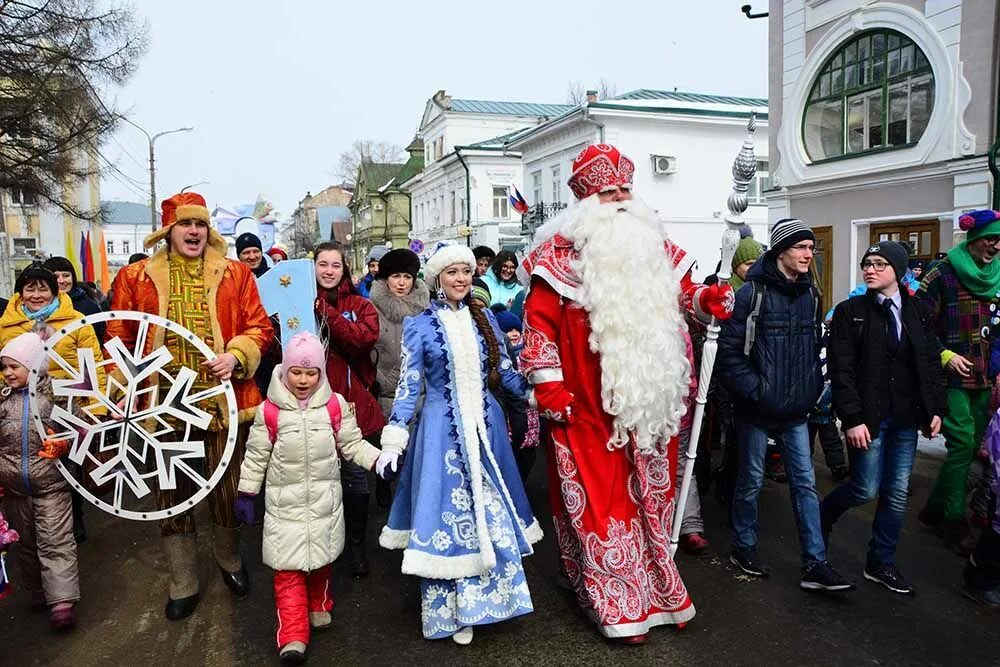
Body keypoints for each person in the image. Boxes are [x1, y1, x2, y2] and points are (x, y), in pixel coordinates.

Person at [519, 144, 734, 642]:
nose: (619, 199)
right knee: (602, 504)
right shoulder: (556, 259)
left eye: (623, 190)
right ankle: (618, 606)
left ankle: (657, 592)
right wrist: (549, 388)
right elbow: (538, 326)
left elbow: (685, 295)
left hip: (646, 404)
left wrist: (707, 300)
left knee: (649, 503)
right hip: (584, 407)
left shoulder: (654, 246)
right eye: (607, 192)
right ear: (585, 202)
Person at [107, 191, 273, 620]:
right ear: (169, 231)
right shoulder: (136, 277)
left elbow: (259, 326)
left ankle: (229, 559)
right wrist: (121, 388)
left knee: (228, 488)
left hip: (223, 402)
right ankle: (183, 579)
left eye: (200, 224)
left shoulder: (236, 273)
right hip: (163, 406)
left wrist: (236, 356)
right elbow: (119, 336)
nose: (194, 231)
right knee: (173, 492)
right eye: (186, 224)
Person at [378, 243, 540, 645]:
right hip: (441, 435)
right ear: (437, 279)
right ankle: (451, 610)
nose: (461, 279)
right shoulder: (419, 326)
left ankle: (488, 603)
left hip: (486, 431)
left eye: (466, 271)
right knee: (448, 519)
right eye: (452, 272)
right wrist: (394, 438)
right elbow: (408, 387)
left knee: (491, 513)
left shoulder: (485, 319)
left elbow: (506, 372)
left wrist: (539, 395)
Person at [235, 331, 398, 663]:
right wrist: (247, 493)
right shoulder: (270, 412)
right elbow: (255, 456)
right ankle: (292, 636)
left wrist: (378, 461)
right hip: (284, 510)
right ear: (285, 370)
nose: (303, 380)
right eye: (296, 372)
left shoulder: (334, 406)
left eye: (311, 373)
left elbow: (352, 445)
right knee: (288, 571)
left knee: (321, 560)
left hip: (324, 505)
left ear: (321, 373)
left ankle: (319, 601)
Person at [718, 217, 854, 592]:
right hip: (757, 410)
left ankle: (816, 563)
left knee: (806, 485)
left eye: (811, 247)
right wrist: (757, 390)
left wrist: (812, 389)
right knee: (749, 482)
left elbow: (813, 349)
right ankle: (743, 547)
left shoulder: (811, 295)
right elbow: (730, 354)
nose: (809, 254)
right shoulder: (751, 295)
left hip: (796, 410)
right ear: (781, 251)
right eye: (801, 247)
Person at [821, 241, 945, 595]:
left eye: (879, 264)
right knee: (864, 488)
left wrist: (934, 409)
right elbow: (841, 369)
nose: (870, 270)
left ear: (898, 270)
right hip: (868, 418)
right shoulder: (851, 312)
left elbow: (929, 363)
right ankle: (818, 521)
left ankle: (880, 562)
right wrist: (852, 418)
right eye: (867, 264)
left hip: (905, 418)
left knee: (896, 493)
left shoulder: (918, 310)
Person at [917, 209, 1000, 551]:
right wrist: (944, 355)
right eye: (991, 239)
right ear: (975, 238)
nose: (996, 246)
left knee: (970, 448)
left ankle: (933, 510)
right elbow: (917, 324)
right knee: (963, 444)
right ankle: (952, 521)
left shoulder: (998, 274)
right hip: (950, 378)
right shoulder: (942, 273)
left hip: (985, 377)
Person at [312, 242, 384, 575]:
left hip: (351, 404)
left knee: (355, 477)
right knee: (317, 478)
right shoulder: (296, 302)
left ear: (344, 270)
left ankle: (356, 544)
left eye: (335, 265)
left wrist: (326, 313)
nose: (328, 271)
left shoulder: (360, 304)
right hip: (310, 404)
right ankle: (324, 544)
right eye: (322, 264)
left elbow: (362, 340)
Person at [0, 332, 79, 630]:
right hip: (14, 490)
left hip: (52, 487)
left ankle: (62, 603)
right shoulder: (2, 401)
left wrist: (64, 445)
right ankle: (37, 592)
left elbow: (79, 431)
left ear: (34, 366)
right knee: (25, 545)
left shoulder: (56, 398)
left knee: (55, 542)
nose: (8, 372)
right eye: (4, 367)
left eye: (14, 366)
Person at [370, 248, 429, 508]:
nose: (402, 283)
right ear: (386, 279)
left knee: (417, 453)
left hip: (420, 392)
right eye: (396, 276)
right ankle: (384, 488)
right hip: (385, 392)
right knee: (388, 449)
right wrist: (379, 379)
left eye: (407, 277)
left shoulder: (426, 309)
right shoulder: (372, 308)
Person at [0, 265, 107, 388]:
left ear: (54, 292)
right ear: (21, 294)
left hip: (69, 397)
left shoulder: (76, 322)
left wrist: (96, 399)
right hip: (18, 398)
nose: (36, 295)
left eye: (43, 290)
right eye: (30, 290)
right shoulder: (5, 324)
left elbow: (94, 367)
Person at [42, 257, 104, 341]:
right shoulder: (36, 305)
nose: (61, 281)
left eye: (66, 276)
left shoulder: (89, 307)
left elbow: (98, 338)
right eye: (56, 276)